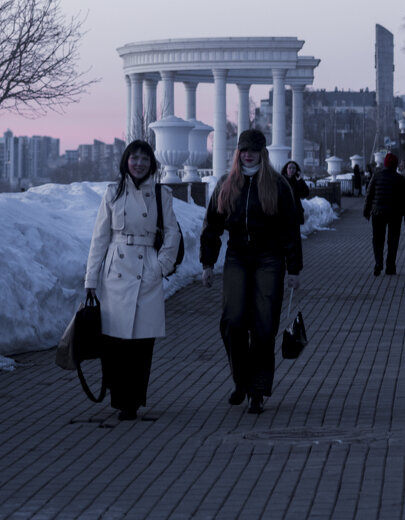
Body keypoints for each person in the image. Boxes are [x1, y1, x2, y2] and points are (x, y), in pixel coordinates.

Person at [200, 129, 302, 414]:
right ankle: (241, 381)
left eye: (253, 150)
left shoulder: (277, 185)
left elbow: (290, 230)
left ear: (262, 153)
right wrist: (208, 264)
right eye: (243, 150)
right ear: (238, 153)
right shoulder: (226, 184)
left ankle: (258, 390)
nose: (248, 155)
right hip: (237, 258)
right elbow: (212, 227)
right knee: (233, 321)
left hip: (269, 259)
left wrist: (293, 268)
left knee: (264, 325)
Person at [84, 139, 179, 421]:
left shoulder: (162, 194)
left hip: (147, 266)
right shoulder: (113, 192)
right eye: (134, 158)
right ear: (126, 161)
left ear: (152, 164)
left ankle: (134, 399)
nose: (139, 163)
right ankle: (120, 397)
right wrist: (91, 277)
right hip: (116, 268)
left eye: (144, 159)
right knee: (115, 341)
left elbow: (173, 232)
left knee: (141, 342)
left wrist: (161, 265)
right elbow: (99, 237)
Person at [363, 152, 405, 275]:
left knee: (378, 239)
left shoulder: (376, 176)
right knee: (393, 240)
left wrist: (366, 210)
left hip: (378, 213)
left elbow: (369, 194)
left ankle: (378, 262)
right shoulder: (400, 179)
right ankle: (390, 266)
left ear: (384, 164)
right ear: (395, 165)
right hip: (395, 214)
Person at [281, 159, 311, 225]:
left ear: (296, 170)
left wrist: (300, 181)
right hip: (283, 212)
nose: (292, 170)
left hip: (296, 212)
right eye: (290, 168)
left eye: (294, 168)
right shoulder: (281, 181)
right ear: (286, 169)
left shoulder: (298, 181)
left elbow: (305, 193)